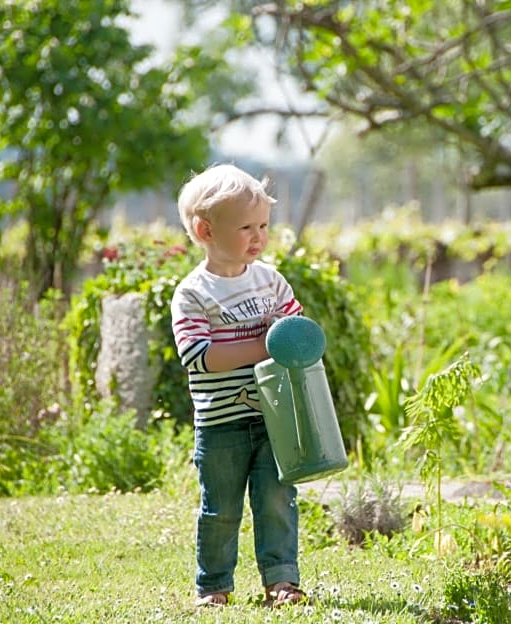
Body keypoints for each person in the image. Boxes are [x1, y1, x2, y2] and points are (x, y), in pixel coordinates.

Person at [170, 163, 307, 608]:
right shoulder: (193, 293)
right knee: (220, 510)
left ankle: (282, 581)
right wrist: (265, 344)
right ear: (205, 229)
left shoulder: (271, 281)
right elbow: (202, 357)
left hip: (274, 417)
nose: (258, 236)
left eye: (263, 225)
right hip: (221, 423)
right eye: (245, 226)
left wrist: (295, 335)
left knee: (277, 501)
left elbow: (297, 329)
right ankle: (214, 586)